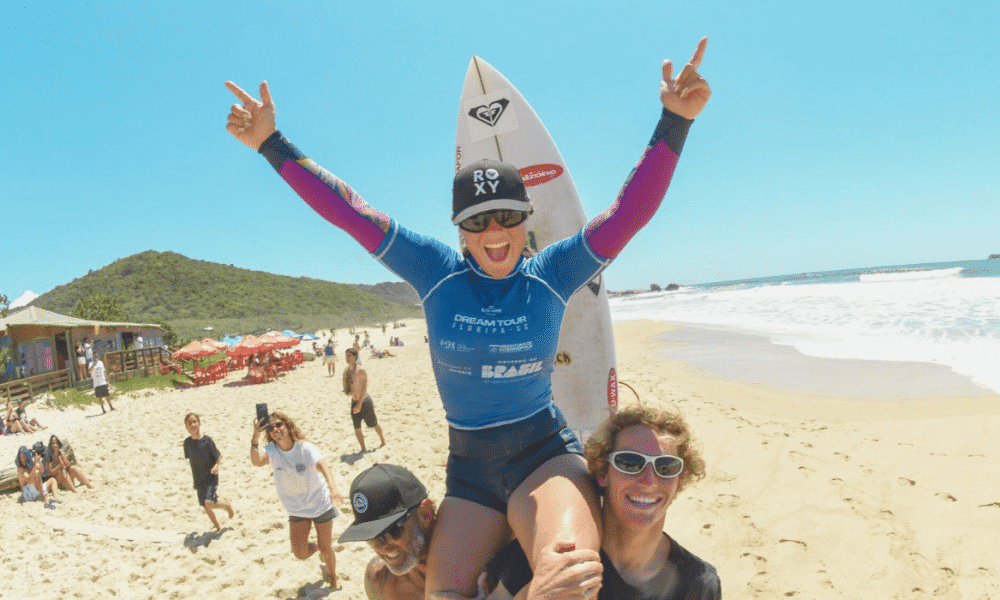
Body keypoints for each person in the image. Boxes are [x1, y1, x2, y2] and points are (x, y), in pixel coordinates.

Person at [225, 38, 710, 599]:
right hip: (470, 472)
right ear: (459, 231)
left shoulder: (553, 273)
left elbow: (629, 214)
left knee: (571, 577)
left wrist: (674, 121)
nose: (493, 234)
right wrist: (270, 143)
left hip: (543, 455)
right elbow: (348, 211)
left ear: (526, 219)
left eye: (506, 217)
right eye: (477, 223)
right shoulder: (435, 273)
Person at [487, 404, 720, 600]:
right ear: (603, 473)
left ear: (679, 481)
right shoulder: (555, 552)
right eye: (630, 463)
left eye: (666, 467)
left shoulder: (699, 583)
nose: (649, 481)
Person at [251, 411, 344, 589]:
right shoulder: (272, 451)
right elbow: (257, 461)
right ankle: (318, 546)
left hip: (319, 504)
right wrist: (255, 438)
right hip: (296, 509)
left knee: (327, 549)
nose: (275, 429)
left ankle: (333, 577)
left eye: (279, 425)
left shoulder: (304, 448)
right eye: (270, 427)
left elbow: (323, 465)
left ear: (288, 426)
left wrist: (333, 488)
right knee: (300, 553)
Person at [338, 464, 438, 600]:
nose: (377, 546)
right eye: (368, 536)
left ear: (425, 513)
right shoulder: (379, 579)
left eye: (387, 532)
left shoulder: (472, 568)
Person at [183, 413, 234, 531]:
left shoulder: (207, 440)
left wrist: (216, 466)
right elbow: (190, 459)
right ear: (186, 427)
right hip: (198, 479)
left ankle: (227, 506)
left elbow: (218, 455)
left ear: (199, 423)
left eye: (194, 421)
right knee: (205, 506)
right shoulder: (187, 443)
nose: (192, 425)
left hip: (211, 477)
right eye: (189, 423)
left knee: (209, 502)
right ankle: (218, 527)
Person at [344, 347, 386, 452]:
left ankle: (383, 440)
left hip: (365, 402)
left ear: (355, 357)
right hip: (354, 401)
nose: (347, 357)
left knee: (373, 424)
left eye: (349, 355)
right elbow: (349, 387)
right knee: (357, 427)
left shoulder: (361, 371)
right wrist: (349, 393)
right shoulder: (347, 371)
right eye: (346, 355)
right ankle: (363, 448)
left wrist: (359, 404)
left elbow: (364, 389)